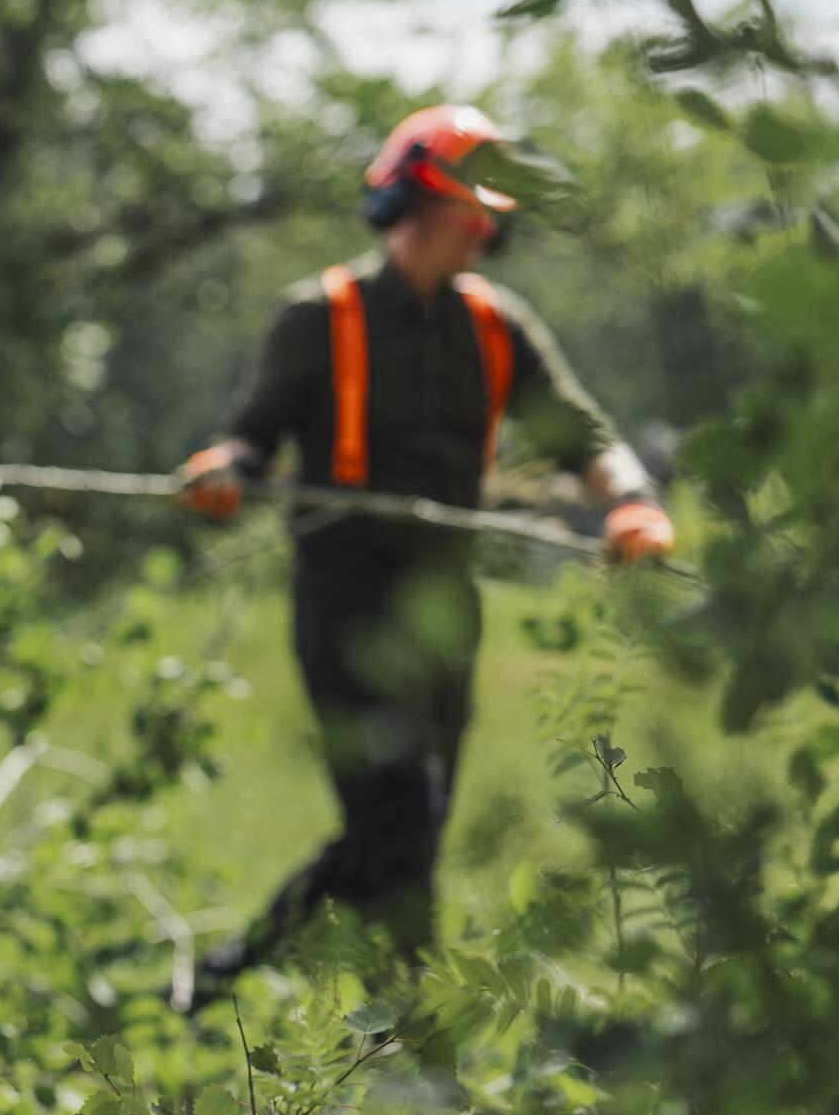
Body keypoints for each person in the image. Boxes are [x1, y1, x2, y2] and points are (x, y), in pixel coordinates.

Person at [175, 104, 677, 989]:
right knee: (399, 822)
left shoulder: (496, 325)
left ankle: (228, 982)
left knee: (408, 833)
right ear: (411, 206)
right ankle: (412, 1037)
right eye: (464, 217)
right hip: (345, 595)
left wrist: (631, 504)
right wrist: (223, 470)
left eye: (489, 222)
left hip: (447, 601)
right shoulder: (317, 316)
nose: (479, 236)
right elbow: (249, 440)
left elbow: (585, 434)